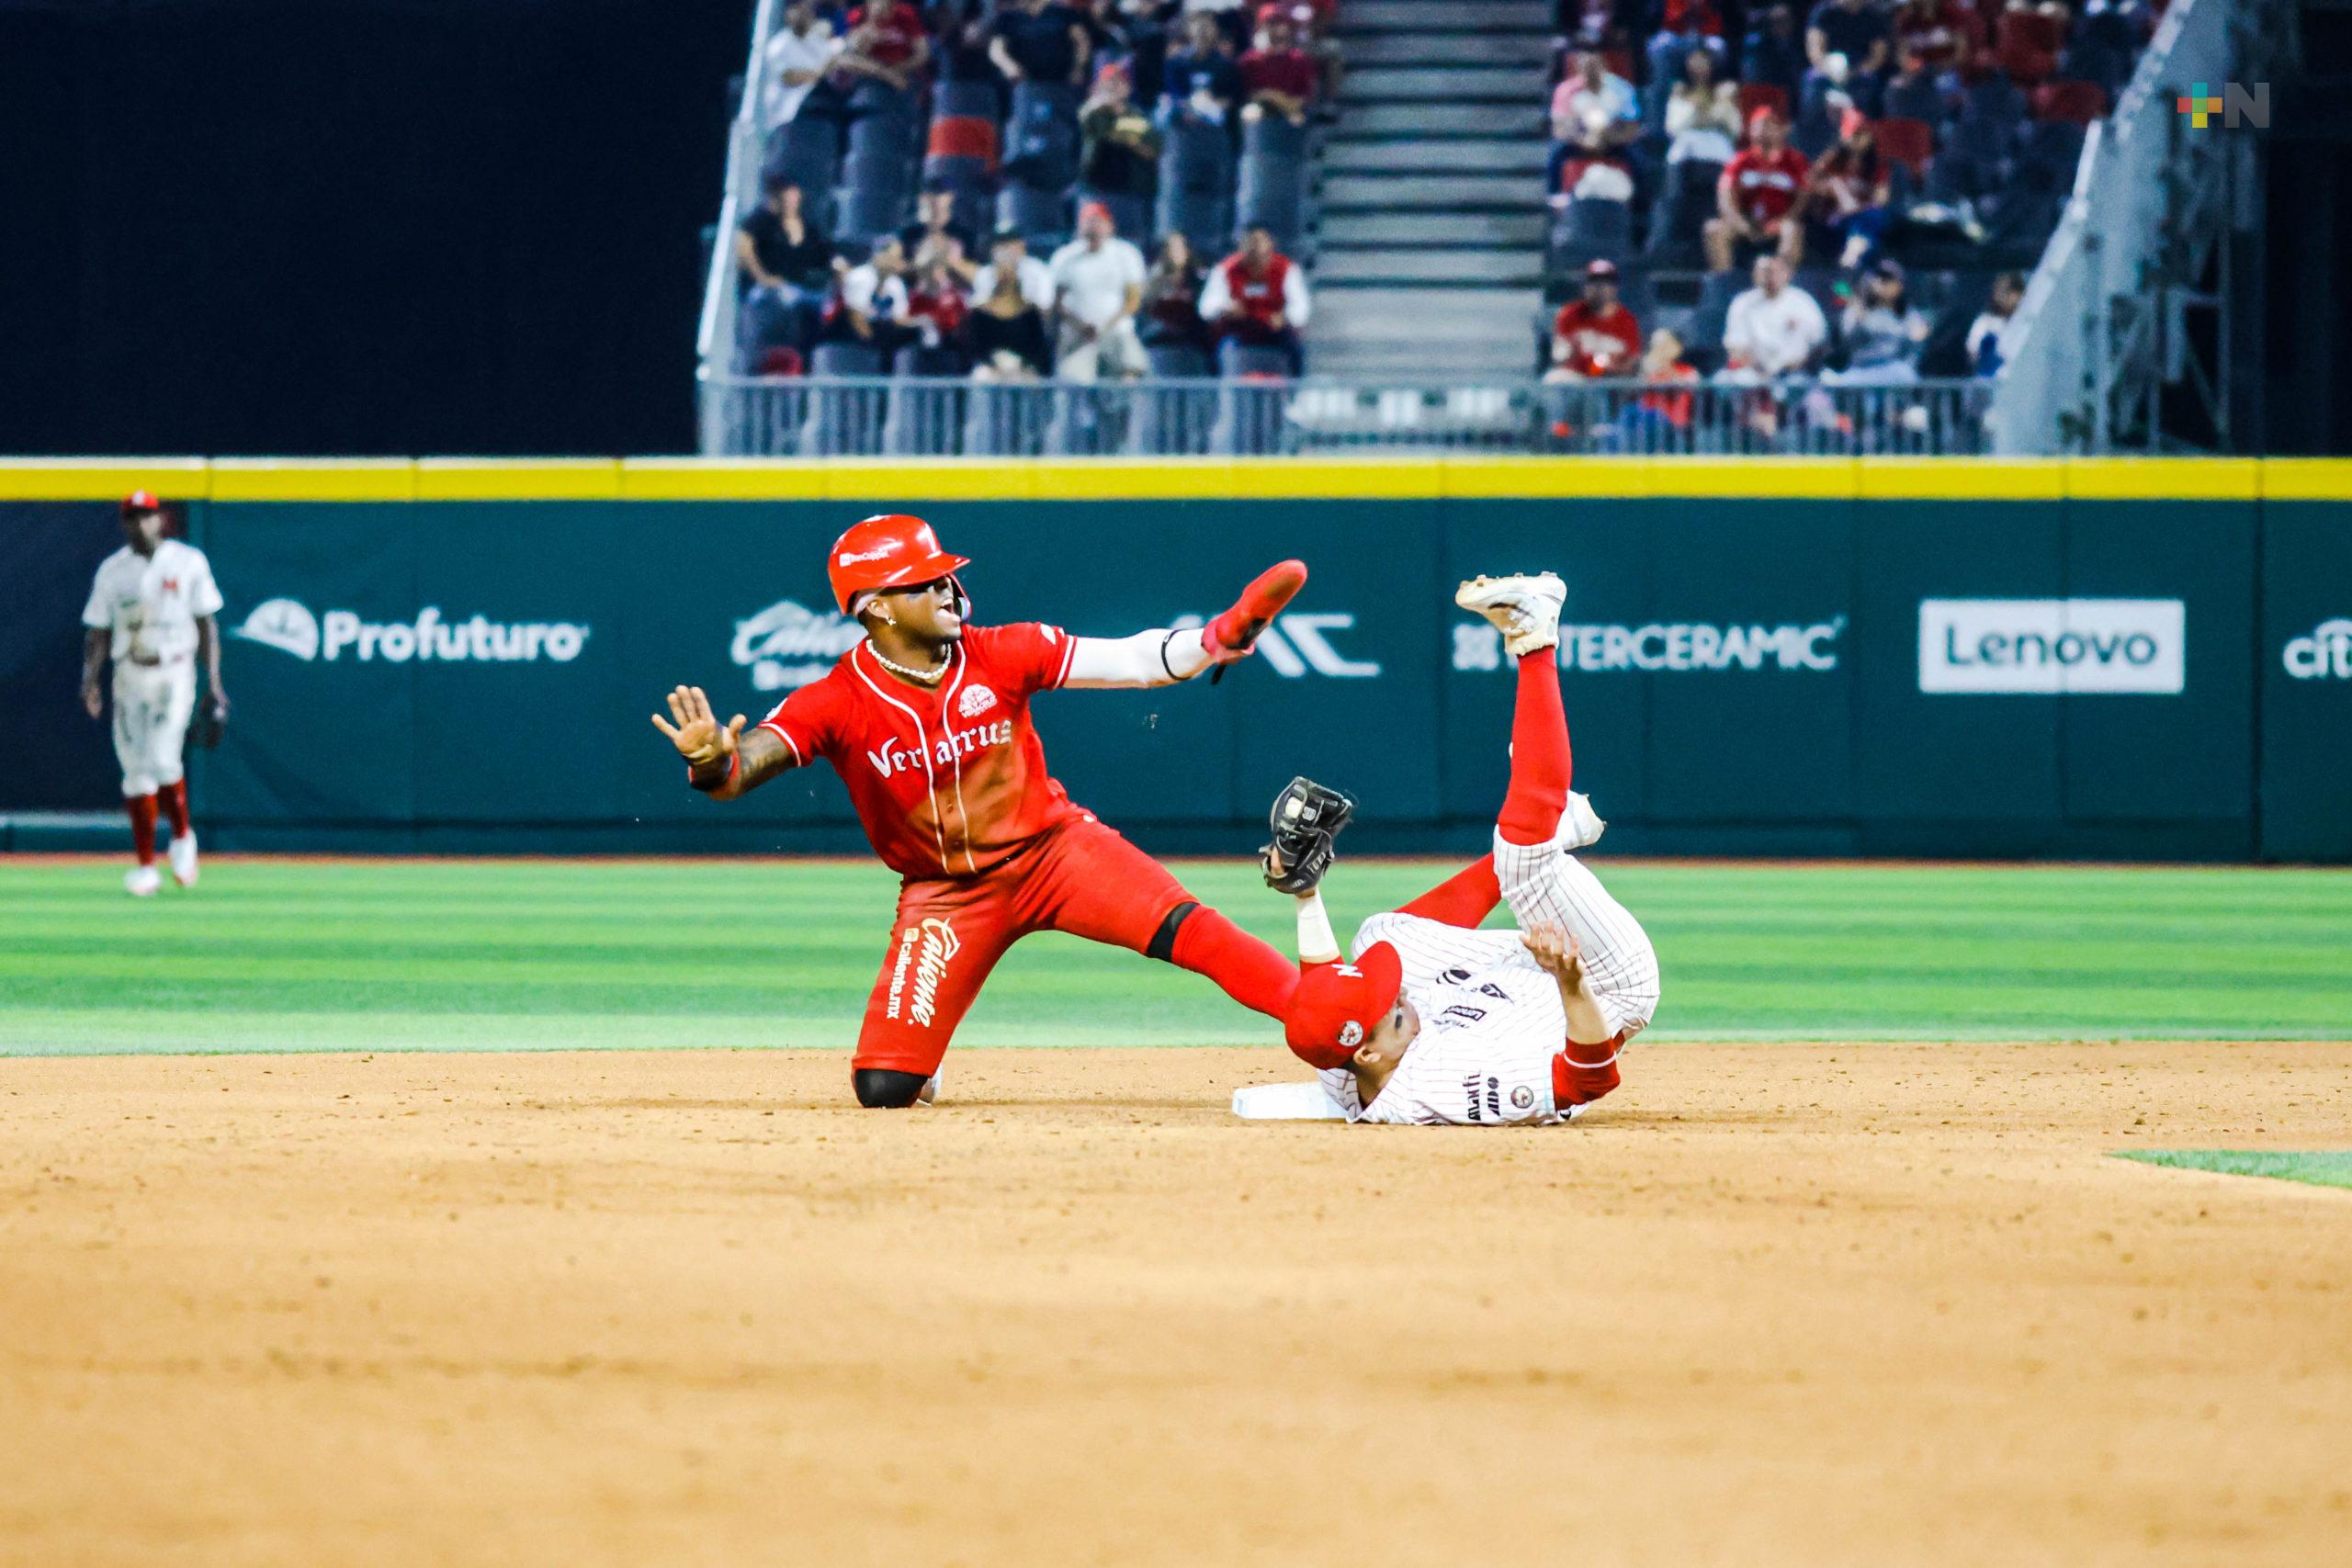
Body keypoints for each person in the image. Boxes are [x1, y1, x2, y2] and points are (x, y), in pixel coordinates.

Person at [650, 515, 1309, 1108]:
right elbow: (741, 770)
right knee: (884, 1088)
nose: (946, 591)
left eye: (945, 577)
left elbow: (1137, 659)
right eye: (923, 583)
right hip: (946, 895)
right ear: (876, 608)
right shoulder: (837, 699)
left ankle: (1331, 1016)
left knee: (1194, 931)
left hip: (1055, 852)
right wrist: (712, 758)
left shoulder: (1001, 651)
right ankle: (920, 1057)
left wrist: (1216, 635)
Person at [1238, 572, 1659, 1126]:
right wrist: (1572, 981)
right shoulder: (1445, 1086)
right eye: (1393, 1011)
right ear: (1370, 1052)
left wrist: (1306, 895)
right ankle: (1537, 640)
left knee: (1376, 937)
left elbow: (1325, 987)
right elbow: (1589, 1081)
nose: (1400, 997)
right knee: (1523, 860)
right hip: (1599, 982)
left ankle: (1549, 832)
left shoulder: (1346, 1061)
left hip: (1504, 981)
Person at [81, 491, 228, 897]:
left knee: (163, 758)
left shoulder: (187, 562)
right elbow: (97, 630)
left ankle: (182, 837)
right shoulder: (113, 571)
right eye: (133, 517)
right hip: (130, 671)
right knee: (135, 772)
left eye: (147, 516)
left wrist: (213, 683)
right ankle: (146, 866)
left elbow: (206, 623)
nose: (140, 524)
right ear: (124, 523)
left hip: (174, 670)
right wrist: (89, 680)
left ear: (160, 519)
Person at [1047, 201, 1150, 380]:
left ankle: (1123, 408)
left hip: (1117, 331)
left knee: (1130, 372)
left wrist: (1105, 326)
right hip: (1079, 334)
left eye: (1098, 222)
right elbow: (1057, 301)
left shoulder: (1126, 254)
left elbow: (1133, 299)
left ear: (1109, 226)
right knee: (1074, 381)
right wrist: (1081, 325)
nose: (1093, 228)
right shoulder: (1064, 257)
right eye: (1088, 223)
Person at [737, 181, 840, 356]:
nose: (792, 202)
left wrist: (838, 268)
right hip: (770, 290)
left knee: (827, 306)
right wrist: (762, 277)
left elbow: (827, 256)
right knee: (785, 297)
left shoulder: (808, 227)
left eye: (795, 198)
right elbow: (744, 248)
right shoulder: (761, 221)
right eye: (788, 198)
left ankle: (810, 356)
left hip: (804, 288)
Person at [1705, 107, 1809, 271]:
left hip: (1779, 221)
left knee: (1792, 230)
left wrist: (1782, 221)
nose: (1762, 130)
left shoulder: (1795, 160)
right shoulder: (1740, 160)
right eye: (1757, 125)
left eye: (1769, 125)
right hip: (1746, 221)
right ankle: (1725, 282)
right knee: (1714, 229)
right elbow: (1725, 196)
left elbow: (1803, 197)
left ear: (1781, 130)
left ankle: (1782, 281)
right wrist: (1740, 223)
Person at [1200, 223, 1309, 373]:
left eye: (1259, 242)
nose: (1254, 248)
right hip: (1238, 331)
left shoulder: (1287, 269)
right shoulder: (1225, 269)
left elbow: (1301, 307)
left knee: (1296, 350)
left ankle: (1293, 393)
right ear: (1241, 246)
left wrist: (1284, 317)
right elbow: (1206, 308)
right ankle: (1218, 392)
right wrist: (1225, 307)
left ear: (1270, 244)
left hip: (1274, 331)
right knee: (1214, 348)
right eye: (1249, 242)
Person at [1800, 111, 1893, 270]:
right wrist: (1834, 188)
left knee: (1873, 218)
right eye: (1855, 134)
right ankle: (1853, 260)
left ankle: (1851, 259)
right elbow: (1808, 182)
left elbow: (1880, 200)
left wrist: (1855, 208)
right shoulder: (1832, 159)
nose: (1859, 139)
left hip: (1862, 216)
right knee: (1868, 226)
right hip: (1834, 217)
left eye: (1864, 135)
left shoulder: (1877, 165)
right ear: (1844, 135)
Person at [1719, 253, 1828, 380]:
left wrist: (1798, 365)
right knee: (1731, 379)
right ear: (1754, 274)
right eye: (1765, 271)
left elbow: (1819, 342)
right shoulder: (1742, 303)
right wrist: (1762, 372)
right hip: (1755, 373)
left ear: (1787, 273)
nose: (1770, 276)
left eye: (1775, 271)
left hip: (1798, 373)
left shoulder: (1804, 302)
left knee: (1826, 379)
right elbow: (1735, 347)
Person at [1548, 50, 1641, 199]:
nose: (1591, 72)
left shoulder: (1621, 88)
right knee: (1556, 155)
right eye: (1586, 67)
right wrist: (1583, 140)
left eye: (1595, 66)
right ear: (1579, 69)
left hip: (1612, 141)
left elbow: (1631, 126)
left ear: (1603, 67)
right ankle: (1556, 198)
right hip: (1578, 141)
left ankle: (1638, 204)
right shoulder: (1566, 90)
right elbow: (1559, 128)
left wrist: (1608, 139)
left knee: (1637, 158)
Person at [1824, 258, 1928, 384]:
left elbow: (1919, 337)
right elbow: (1838, 286)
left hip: (1892, 369)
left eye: (1887, 279)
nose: (1880, 282)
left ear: (1899, 286)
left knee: (1907, 374)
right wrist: (1847, 266)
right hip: (1860, 370)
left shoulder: (1907, 314)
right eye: (1877, 278)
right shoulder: (1859, 308)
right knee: (1828, 378)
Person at [1079, 60, 1162, 209]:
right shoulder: (1093, 113)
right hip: (1096, 190)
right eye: (1107, 83)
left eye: (1117, 82)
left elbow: (1154, 149)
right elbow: (1084, 124)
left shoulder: (1137, 116)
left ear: (1127, 88)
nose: (1112, 87)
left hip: (1131, 190)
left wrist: (1130, 140)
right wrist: (1095, 106)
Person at [1545, 259, 1642, 381]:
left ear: (1616, 287)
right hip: (1578, 380)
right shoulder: (1570, 314)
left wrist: (1600, 366)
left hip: (1613, 382)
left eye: (1606, 282)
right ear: (1585, 287)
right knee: (1555, 379)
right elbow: (1560, 356)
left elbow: (1633, 363)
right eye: (1594, 282)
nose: (1600, 288)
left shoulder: (1627, 320)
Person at [828, 234, 918, 356]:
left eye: (898, 257)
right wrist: (874, 352)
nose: (896, 262)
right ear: (878, 256)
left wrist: (921, 323)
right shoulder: (858, 277)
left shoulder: (896, 284)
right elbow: (856, 318)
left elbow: (899, 319)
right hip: (856, 336)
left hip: (883, 334)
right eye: (892, 257)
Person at [761, 0, 845, 129]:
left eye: (806, 11)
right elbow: (791, 78)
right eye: (798, 11)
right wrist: (825, 68)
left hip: (813, 112)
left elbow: (837, 54)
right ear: (788, 15)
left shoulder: (814, 41)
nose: (803, 15)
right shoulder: (778, 46)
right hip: (785, 121)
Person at [965, 263, 1056, 379]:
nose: (1007, 281)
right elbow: (975, 347)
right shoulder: (981, 312)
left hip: (1023, 367)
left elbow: (1038, 347)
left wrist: (1021, 364)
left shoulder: (1030, 312)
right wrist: (994, 363)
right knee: (982, 376)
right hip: (990, 367)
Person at [1804, 0, 1893, 117]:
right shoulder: (1823, 12)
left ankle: (1859, 128)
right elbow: (1815, 50)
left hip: (1859, 70)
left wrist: (1853, 72)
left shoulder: (1874, 16)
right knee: (1813, 81)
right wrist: (1832, 71)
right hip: (1827, 69)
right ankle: (1812, 128)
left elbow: (1878, 55)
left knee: (1867, 85)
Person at [829, 0, 932, 98]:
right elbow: (842, 59)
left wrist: (900, 68)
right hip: (868, 79)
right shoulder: (856, 18)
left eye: (888, 5)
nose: (882, 8)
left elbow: (923, 53)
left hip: (903, 73)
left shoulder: (905, 14)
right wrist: (886, 74)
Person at [1160, 10, 1242, 126]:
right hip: (1182, 118)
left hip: (1215, 121)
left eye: (1207, 25)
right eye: (1197, 24)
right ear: (1188, 30)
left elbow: (1232, 98)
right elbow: (1172, 93)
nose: (1202, 30)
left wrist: (1211, 104)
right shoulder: (1176, 63)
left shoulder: (1226, 65)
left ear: (1216, 30)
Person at [1664, 46, 1742, 166]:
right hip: (1687, 143)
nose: (1698, 65)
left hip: (1717, 141)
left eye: (1703, 60)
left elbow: (1735, 130)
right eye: (1694, 60)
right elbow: (1672, 128)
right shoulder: (1679, 93)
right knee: (1674, 157)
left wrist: (1721, 106)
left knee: (1729, 157)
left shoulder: (1725, 93)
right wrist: (1696, 111)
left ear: (1712, 64)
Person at [1237, 11, 1316, 125]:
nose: (1275, 29)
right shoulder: (1250, 60)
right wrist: (1272, 97)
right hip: (1262, 106)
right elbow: (1249, 94)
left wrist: (1282, 102)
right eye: (1270, 24)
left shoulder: (1299, 59)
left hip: (1292, 108)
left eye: (1279, 24)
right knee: (1249, 114)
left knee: (1298, 120)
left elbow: (1305, 95)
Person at [989, 0, 1091, 87]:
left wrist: (1078, 68)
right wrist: (1009, 67)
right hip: (1023, 83)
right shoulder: (1008, 18)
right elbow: (997, 49)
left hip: (1062, 81)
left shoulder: (1065, 13)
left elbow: (1082, 42)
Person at [1140, 231, 1209, 353]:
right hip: (1162, 330)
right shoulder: (1156, 278)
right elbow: (1147, 304)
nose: (1174, 253)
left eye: (1178, 248)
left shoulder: (1199, 278)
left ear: (1187, 251)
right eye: (1170, 248)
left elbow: (1204, 308)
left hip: (1192, 329)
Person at [899, 186, 981, 287]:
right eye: (930, 193)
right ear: (921, 198)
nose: (934, 199)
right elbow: (896, 268)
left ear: (950, 197)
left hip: (956, 297)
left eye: (940, 193)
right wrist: (920, 264)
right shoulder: (910, 234)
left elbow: (979, 276)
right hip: (917, 296)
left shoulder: (965, 234)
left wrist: (951, 261)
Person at [972, 225, 1057, 312]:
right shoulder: (985, 274)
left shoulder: (1038, 271)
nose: (1005, 250)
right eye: (1001, 245)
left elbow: (1045, 306)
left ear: (1021, 245)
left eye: (1010, 244)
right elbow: (977, 306)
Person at [1967, 269, 2026, 377]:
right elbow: (1973, 352)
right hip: (1990, 381)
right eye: (2000, 291)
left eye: (2009, 292)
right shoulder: (1985, 322)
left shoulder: (2024, 321)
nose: (2002, 296)